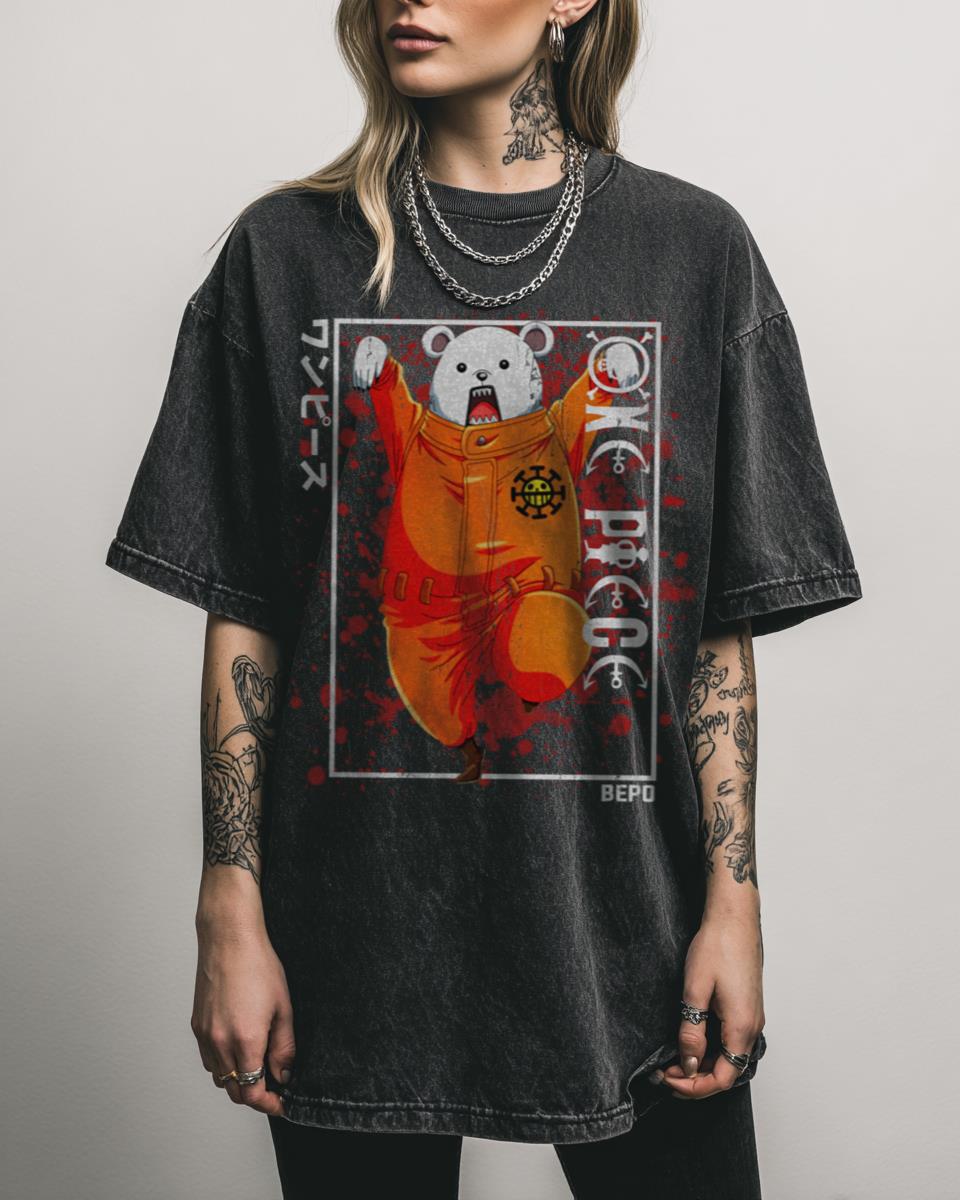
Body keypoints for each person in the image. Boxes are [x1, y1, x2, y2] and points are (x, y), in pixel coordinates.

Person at [103, 0, 863, 1196]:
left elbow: (714, 633)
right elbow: (246, 608)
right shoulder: (284, 253)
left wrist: (735, 901)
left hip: (630, 932)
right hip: (351, 942)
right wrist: (229, 905)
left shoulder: (694, 251)